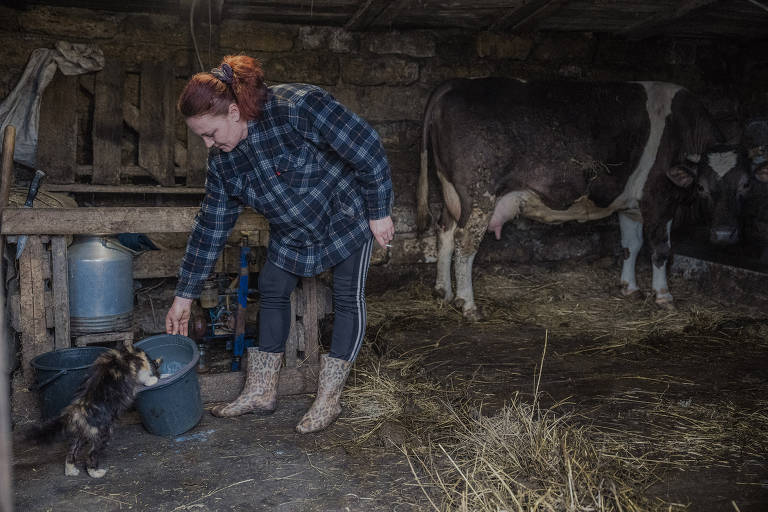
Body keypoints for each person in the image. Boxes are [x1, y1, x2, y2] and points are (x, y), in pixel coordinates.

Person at [165, 55, 394, 434]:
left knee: (347, 295)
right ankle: (261, 390)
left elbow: (367, 148)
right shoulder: (223, 163)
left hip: (347, 213)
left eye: (211, 133)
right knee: (271, 285)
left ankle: (329, 397)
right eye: (201, 137)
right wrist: (184, 295)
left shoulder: (298, 107)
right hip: (293, 226)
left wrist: (379, 210)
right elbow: (210, 227)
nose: (208, 144)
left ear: (235, 112)